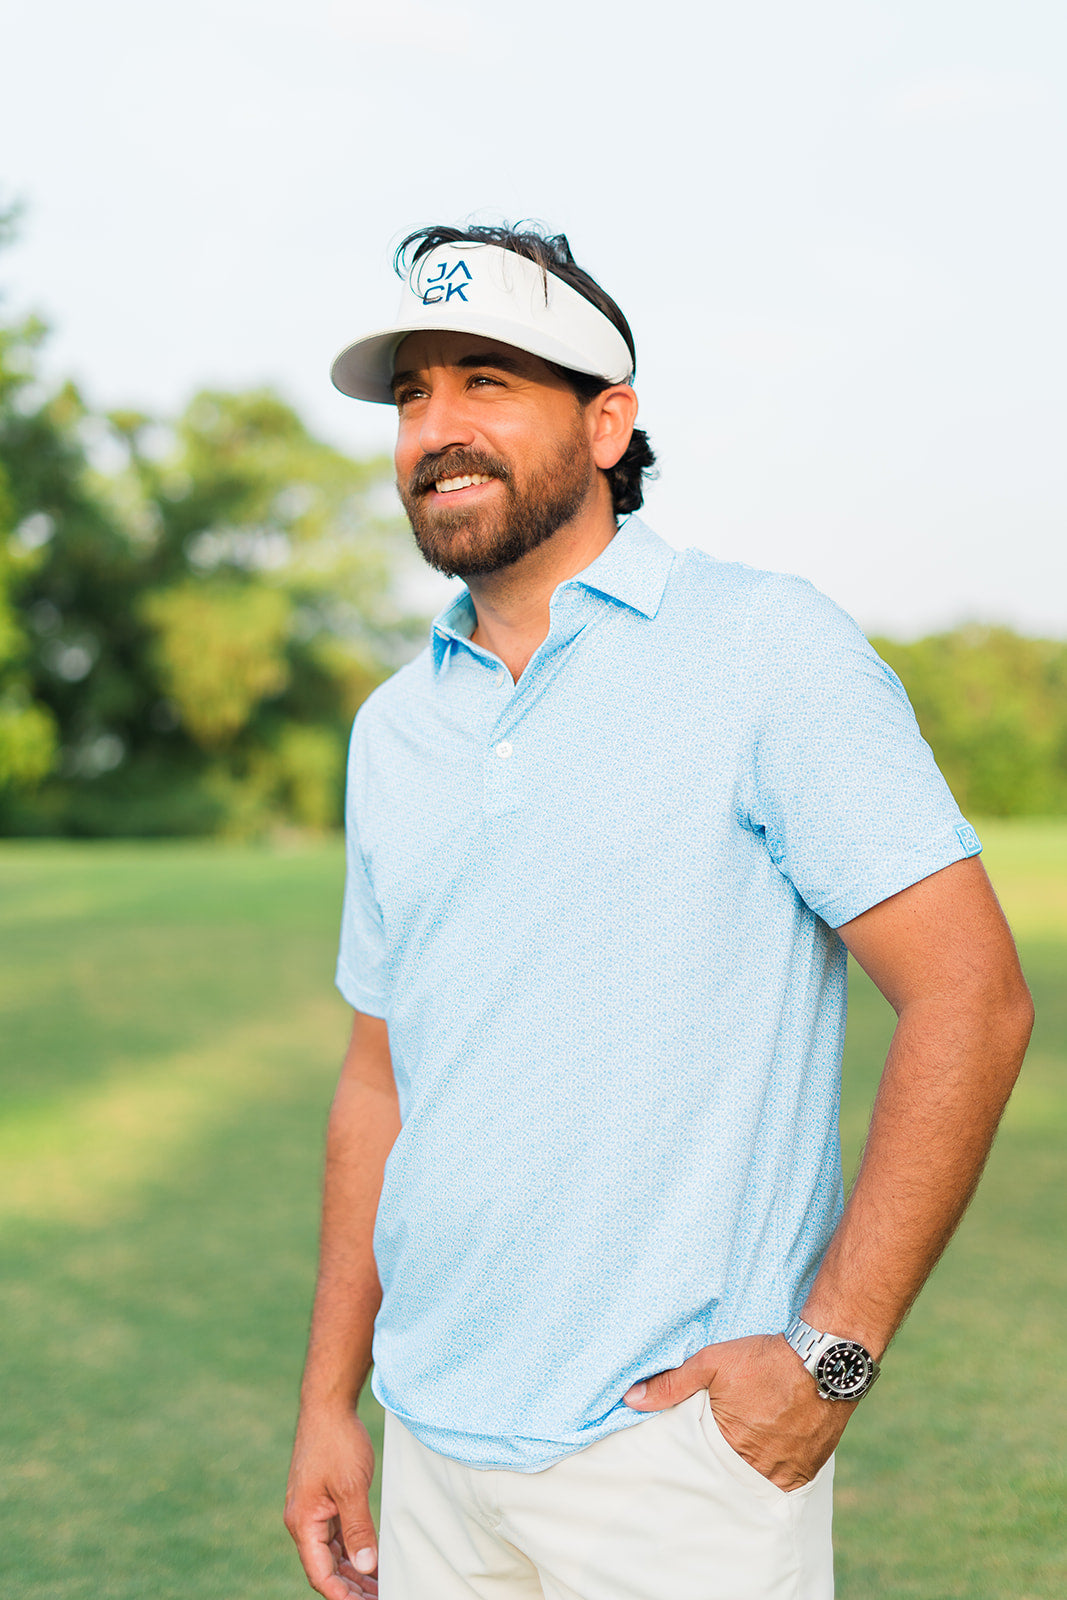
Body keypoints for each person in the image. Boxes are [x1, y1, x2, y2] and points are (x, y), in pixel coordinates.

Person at [284, 223, 1034, 1600]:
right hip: (433, 1448)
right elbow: (379, 1082)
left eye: (488, 381)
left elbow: (973, 998)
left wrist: (833, 1358)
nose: (436, 429)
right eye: (411, 396)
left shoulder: (766, 648)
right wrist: (334, 1402)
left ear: (610, 422)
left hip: (671, 1459)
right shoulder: (393, 730)